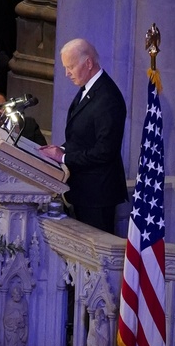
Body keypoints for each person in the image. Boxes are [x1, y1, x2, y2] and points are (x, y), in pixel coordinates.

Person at [37, 38, 127, 233]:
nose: (67, 73)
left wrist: (63, 157)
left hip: (97, 196)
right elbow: (83, 138)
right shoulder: (89, 89)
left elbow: (105, 151)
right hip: (83, 191)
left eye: (70, 67)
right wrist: (60, 149)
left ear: (88, 63)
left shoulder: (107, 97)